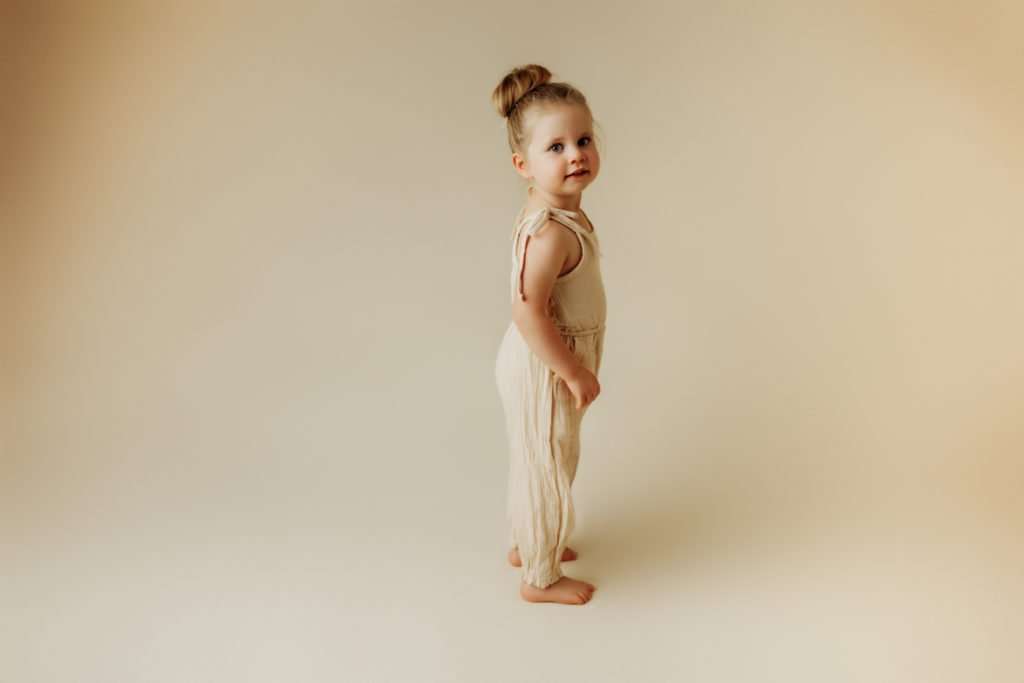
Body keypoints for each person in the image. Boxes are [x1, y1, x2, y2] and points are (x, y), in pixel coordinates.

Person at [492, 64, 607, 605]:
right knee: (549, 466)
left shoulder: (561, 214)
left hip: (553, 357)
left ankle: (530, 541)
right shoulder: (550, 234)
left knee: (541, 456)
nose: (575, 154)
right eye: (555, 147)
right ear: (524, 165)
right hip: (546, 363)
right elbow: (527, 312)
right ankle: (539, 577)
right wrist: (572, 370)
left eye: (582, 140)